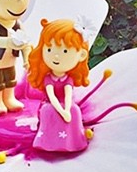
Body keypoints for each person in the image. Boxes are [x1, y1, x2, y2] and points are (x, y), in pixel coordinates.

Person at [27, 18, 91, 154]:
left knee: (74, 110)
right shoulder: (48, 78)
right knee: (48, 110)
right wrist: (62, 112)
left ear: (82, 55)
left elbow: (68, 96)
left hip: (66, 105)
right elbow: (51, 96)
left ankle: (73, 142)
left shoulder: (68, 79)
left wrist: (67, 110)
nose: (56, 56)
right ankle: (47, 143)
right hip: (50, 104)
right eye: (49, 49)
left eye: (65, 51)